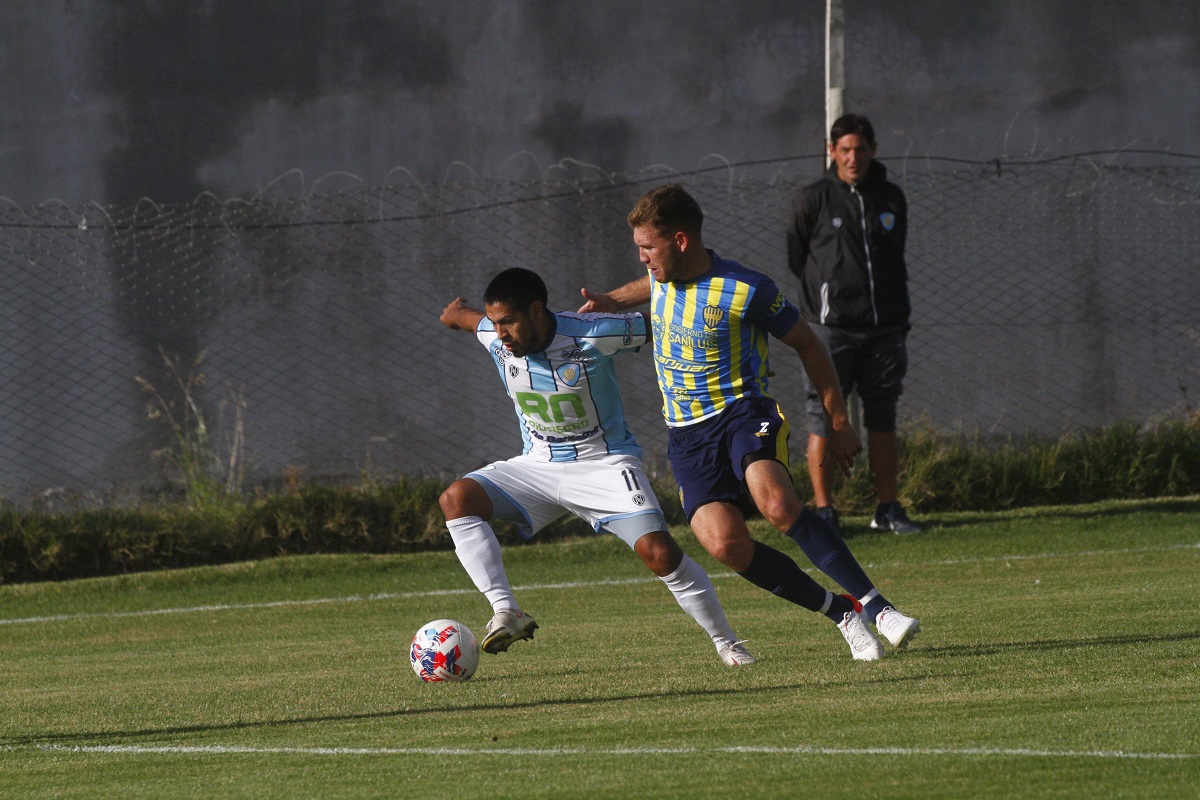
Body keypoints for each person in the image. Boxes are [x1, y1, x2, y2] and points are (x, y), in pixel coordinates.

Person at [578, 183, 919, 661]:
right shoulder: (660, 278)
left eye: (647, 247)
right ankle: (842, 612)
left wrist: (839, 423)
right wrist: (614, 301)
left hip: (743, 411)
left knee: (778, 505)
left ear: (680, 241)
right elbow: (647, 285)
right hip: (687, 435)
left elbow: (809, 345)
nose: (642, 259)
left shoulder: (746, 288)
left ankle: (879, 607)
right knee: (725, 544)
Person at [438, 267, 756, 666]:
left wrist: (735, 360)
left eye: (508, 322)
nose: (499, 333)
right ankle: (507, 611)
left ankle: (727, 643)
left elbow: (670, 321)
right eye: (495, 323)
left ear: (536, 310)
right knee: (457, 498)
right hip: (537, 466)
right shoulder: (494, 333)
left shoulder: (594, 332)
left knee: (659, 552)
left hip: (604, 463)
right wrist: (456, 313)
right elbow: (468, 321)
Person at [787, 113, 920, 534]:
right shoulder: (814, 198)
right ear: (831, 152)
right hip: (831, 329)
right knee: (823, 415)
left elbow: (893, 256)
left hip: (884, 329)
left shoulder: (891, 198)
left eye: (860, 149)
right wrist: (828, 300)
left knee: (883, 417)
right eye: (844, 149)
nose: (853, 157)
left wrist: (894, 317)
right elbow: (797, 258)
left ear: (873, 150)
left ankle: (888, 510)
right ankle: (826, 512)